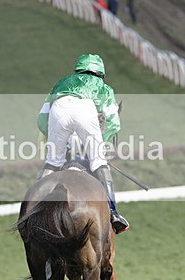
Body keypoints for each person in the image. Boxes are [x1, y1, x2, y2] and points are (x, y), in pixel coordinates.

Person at [36, 54, 129, 234]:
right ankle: (113, 212)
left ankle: (34, 208)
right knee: (98, 162)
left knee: (53, 162)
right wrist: (101, 145)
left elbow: (42, 121)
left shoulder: (61, 83)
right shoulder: (103, 87)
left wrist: (56, 138)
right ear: (100, 73)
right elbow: (113, 122)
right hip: (85, 110)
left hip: (58, 110)